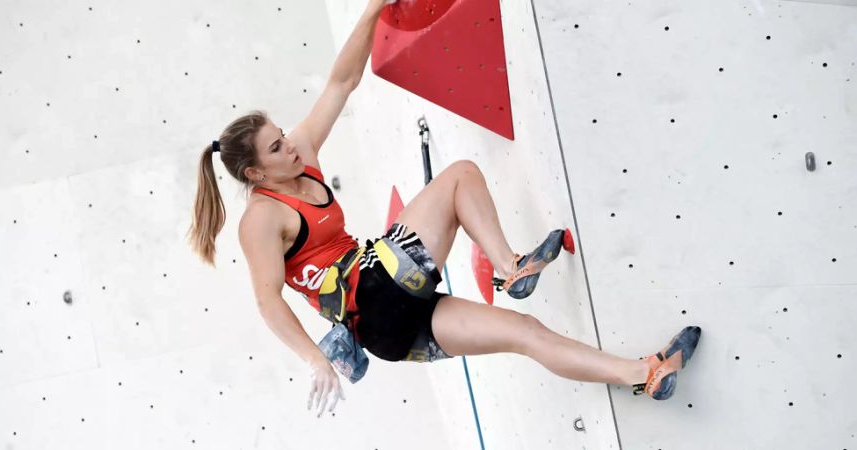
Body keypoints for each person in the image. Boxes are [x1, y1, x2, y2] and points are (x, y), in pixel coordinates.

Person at [187, 0, 701, 419]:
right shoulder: (260, 218)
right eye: (277, 149)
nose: (292, 148)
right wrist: (315, 359)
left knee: (525, 334)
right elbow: (267, 300)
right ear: (254, 174)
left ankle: (644, 373)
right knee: (459, 176)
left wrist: (372, 10)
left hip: (388, 330)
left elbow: (341, 83)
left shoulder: (302, 159)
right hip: (369, 289)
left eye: (283, 137)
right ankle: (509, 267)